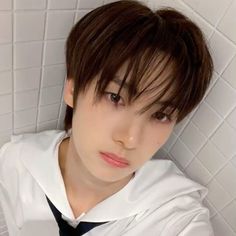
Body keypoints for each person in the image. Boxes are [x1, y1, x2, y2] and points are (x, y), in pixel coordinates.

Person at [0, 0, 214, 235]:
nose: (130, 139)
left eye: (160, 115)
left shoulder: (176, 218)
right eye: (115, 97)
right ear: (72, 89)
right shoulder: (15, 163)